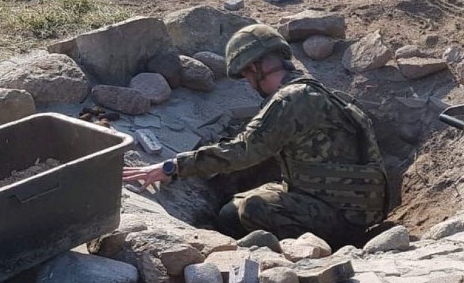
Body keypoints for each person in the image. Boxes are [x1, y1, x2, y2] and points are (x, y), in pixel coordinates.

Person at [122, 24, 389, 249]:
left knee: (250, 209)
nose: (248, 84)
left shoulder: (290, 100)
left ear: (254, 68)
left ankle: (292, 255)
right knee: (231, 209)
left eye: (246, 76)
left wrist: (174, 166)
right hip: (353, 210)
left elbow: (245, 151)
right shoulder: (317, 92)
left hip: (341, 219)